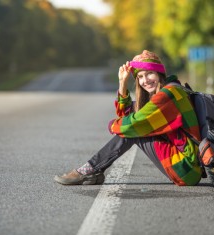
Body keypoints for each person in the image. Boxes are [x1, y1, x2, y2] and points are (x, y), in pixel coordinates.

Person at [54, 50, 203, 186]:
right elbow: (127, 113)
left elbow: (131, 125)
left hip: (185, 167)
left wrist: (113, 125)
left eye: (149, 74)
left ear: (159, 73)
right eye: (140, 77)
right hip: (188, 166)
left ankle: (88, 170)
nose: (145, 81)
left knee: (134, 130)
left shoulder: (168, 95)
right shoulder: (168, 90)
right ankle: (92, 171)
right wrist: (122, 82)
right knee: (134, 126)